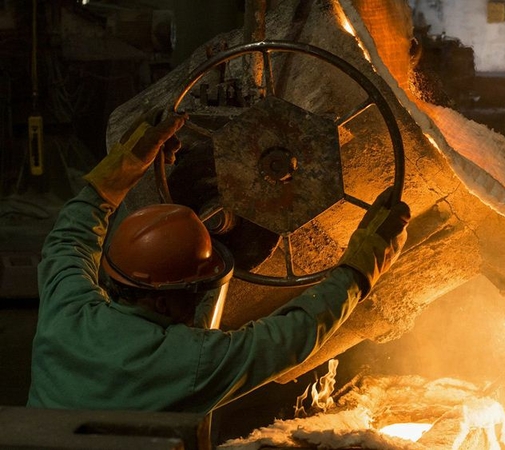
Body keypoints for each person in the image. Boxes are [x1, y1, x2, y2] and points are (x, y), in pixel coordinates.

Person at [27, 111, 410, 414]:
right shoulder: (189, 363)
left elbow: (70, 236)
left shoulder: (67, 309)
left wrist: (127, 163)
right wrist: (364, 262)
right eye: (196, 292)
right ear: (162, 301)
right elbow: (293, 335)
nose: (197, 305)